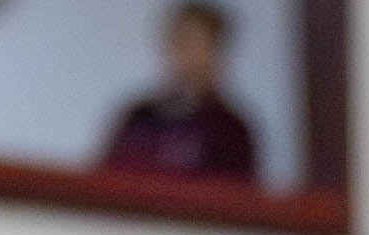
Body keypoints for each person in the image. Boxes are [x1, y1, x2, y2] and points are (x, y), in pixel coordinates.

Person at [98, 4, 256, 181]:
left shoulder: (230, 131)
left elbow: (235, 198)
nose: (184, 53)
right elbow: (104, 179)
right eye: (179, 40)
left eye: (195, 42)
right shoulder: (139, 117)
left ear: (216, 51)